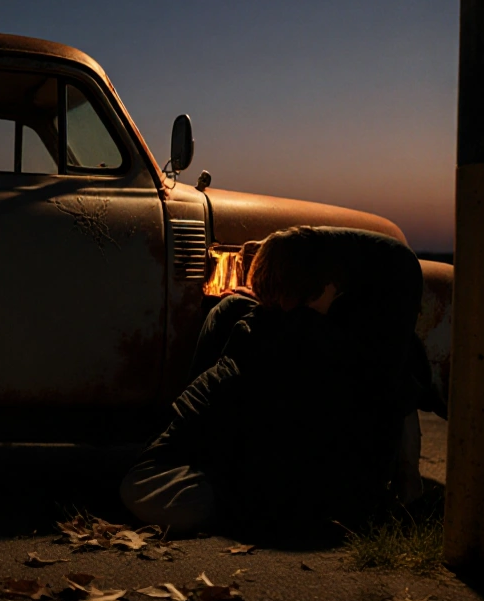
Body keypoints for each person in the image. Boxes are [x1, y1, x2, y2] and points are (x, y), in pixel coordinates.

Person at [120, 226, 434, 536]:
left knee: (148, 482)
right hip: (306, 487)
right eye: (330, 287)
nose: (336, 289)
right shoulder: (343, 341)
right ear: (310, 294)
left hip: (237, 468)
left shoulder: (248, 331)